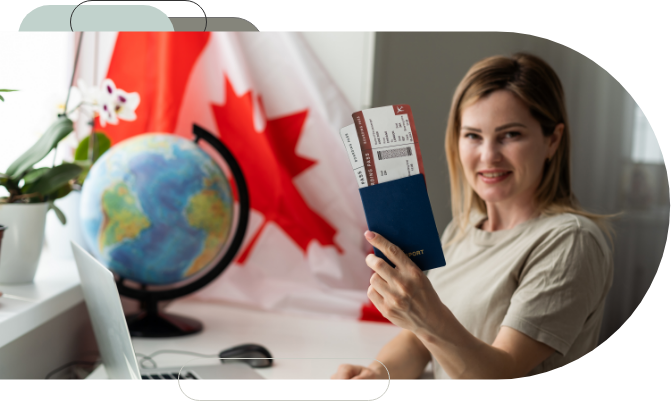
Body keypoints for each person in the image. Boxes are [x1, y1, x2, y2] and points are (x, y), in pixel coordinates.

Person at [331, 53, 615, 380]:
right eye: (473, 136)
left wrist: (428, 315)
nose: (488, 155)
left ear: (552, 140)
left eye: (511, 135)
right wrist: (376, 374)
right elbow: (418, 342)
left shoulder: (571, 241)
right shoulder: (462, 231)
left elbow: (500, 373)